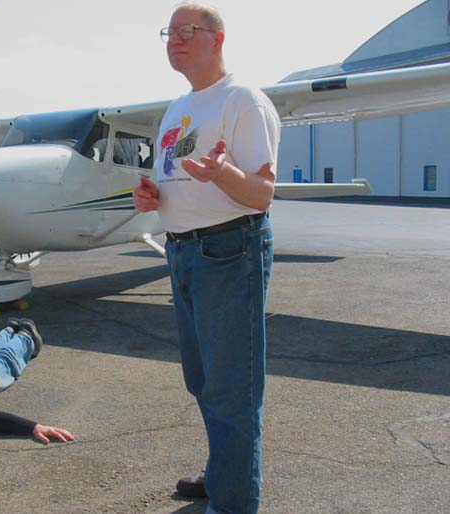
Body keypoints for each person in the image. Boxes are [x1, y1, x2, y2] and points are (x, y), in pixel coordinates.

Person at [133, 4, 279, 514]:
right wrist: (153, 196)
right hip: (183, 252)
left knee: (231, 386)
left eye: (185, 31)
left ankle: (234, 502)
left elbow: (261, 193)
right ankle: (224, 474)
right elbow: (177, 180)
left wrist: (223, 175)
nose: (173, 40)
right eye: (168, 33)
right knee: (203, 379)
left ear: (217, 39)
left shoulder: (244, 101)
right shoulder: (178, 108)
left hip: (228, 250)